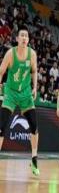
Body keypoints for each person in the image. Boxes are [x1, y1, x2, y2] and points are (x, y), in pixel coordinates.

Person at [0, 26, 40, 176]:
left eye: (26, 36)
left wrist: (35, 87)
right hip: (10, 92)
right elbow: (1, 71)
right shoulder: (10, 54)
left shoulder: (32, 54)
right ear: (17, 39)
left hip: (25, 94)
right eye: (21, 35)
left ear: (28, 40)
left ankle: (34, 159)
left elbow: (34, 71)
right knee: (1, 127)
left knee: (34, 126)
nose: (24, 38)